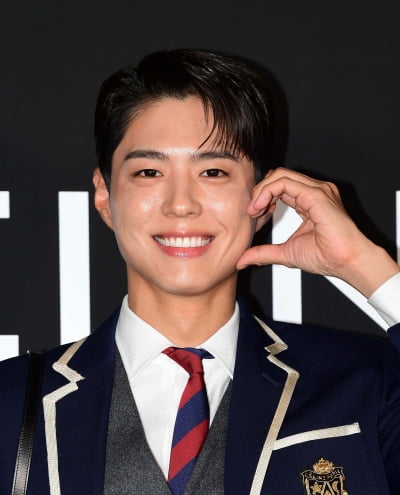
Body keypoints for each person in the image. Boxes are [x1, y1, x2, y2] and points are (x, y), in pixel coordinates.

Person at [1, 49, 400, 495]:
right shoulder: (10, 401)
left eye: (212, 171)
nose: (181, 204)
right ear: (104, 196)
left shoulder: (366, 383)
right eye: (149, 172)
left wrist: (365, 265)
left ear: (264, 196)